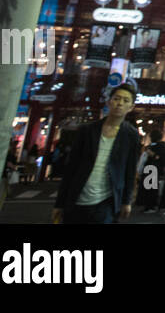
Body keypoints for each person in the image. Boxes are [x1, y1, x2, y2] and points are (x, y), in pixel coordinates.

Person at [52, 82, 141, 224]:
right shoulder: (88, 130)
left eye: (125, 101)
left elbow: (130, 171)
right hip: (77, 196)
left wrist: (126, 201)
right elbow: (71, 167)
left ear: (131, 107)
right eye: (117, 99)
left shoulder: (131, 135)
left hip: (106, 201)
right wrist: (60, 203)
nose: (120, 104)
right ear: (109, 101)